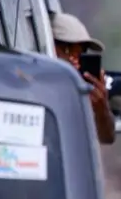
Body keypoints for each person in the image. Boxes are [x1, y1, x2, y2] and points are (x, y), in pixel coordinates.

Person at [50, 12, 116, 145]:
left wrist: (101, 108)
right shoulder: (35, 83)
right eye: (66, 50)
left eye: (80, 53)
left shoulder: (82, 90)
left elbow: (107, 138)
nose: (74, 59)